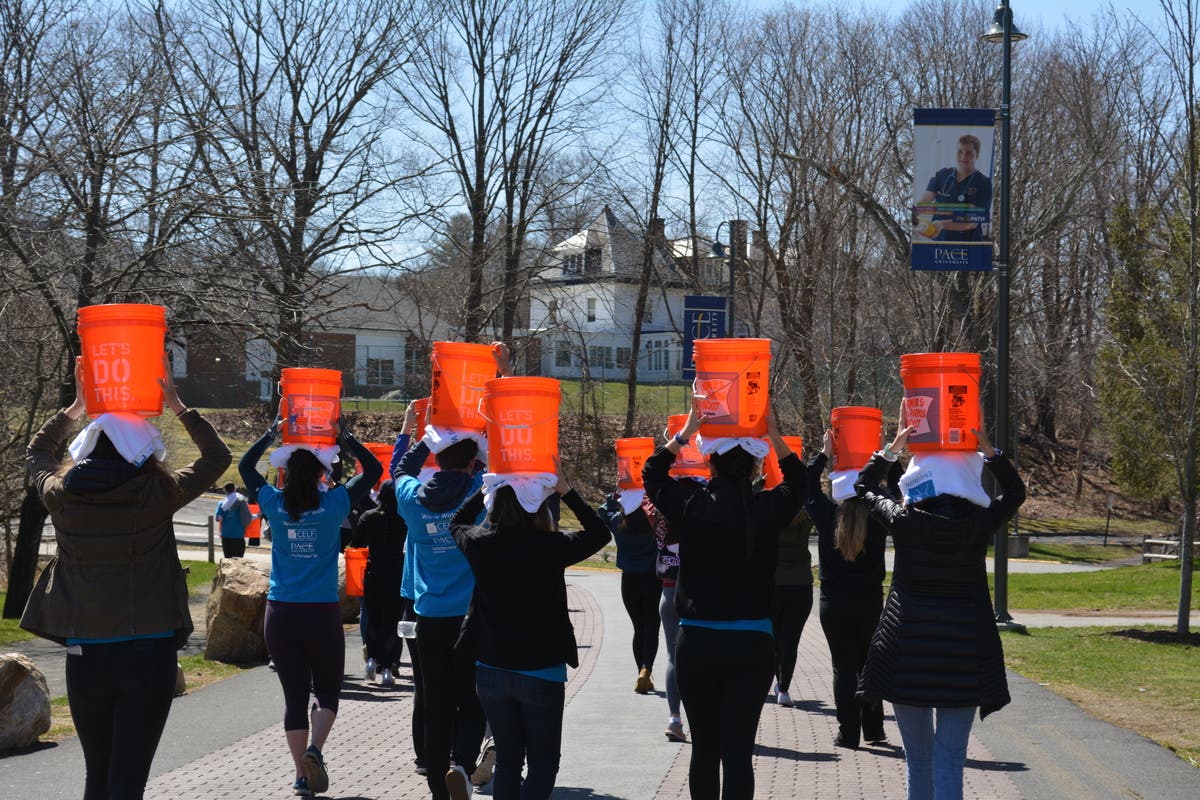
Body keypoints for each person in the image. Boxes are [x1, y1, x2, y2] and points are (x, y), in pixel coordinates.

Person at [22, 354, 231, 800]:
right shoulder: (159, 492)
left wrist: (77, 406)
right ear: (143, 454)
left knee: (97, 775)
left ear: (86, 451)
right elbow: (218, 457)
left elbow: (37, 453)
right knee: (128, 779)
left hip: (86, 653)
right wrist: (177, 403)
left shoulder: (61, 495)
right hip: (149, 653)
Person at [855, 419, 1025, 800]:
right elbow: (1015, 492)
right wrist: (989, 450)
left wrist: (892, 449)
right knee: (950, 758)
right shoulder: (979, 523)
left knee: (918, 760)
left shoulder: (903, 520)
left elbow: (863, 487)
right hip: (964, 656)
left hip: (906, 653)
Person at [642, 404, 803, 800]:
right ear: (755, 466)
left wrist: (685, 433)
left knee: (704, 750)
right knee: (738, 754)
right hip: (752, 645)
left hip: (697, 643)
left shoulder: (692, 504)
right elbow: (800, 482)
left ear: (709, 463)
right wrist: (773, 434)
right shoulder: (767, 508)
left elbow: (651, 473)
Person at [239, 416, 382, 797]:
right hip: (320, 612)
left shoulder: (273, 503)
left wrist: (271, 433)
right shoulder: (334, 504)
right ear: (322, 473)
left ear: (286, 474)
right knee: (328, 691)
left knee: (294, 698)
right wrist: (345, 436)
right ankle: (316, 749)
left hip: (281, 612)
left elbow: (245, 467)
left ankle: (301, 775)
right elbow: (373, 470)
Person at [452, 458, 609, 799]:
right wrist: (565, 490)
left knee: (508, 761)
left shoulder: (480, 543)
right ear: (539, 510)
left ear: (494, 504)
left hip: (491, 668)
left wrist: (488, 486)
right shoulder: (551, 546)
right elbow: (600, 533)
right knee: (543, 763)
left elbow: (457, 522)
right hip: (542, 670)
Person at [394, 403, 489, 800]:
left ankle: (438, 790)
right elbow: (501, 472)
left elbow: (399, 469)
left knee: (436, 705)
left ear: (437, 459)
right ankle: (461, 765)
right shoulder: (476, 496)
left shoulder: (411, 500)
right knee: (473, 701)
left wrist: (420, 434)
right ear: (471, 464)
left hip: (428, 618)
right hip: (469, 619)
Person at [807, 430, 892, 749]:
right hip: (869, 601)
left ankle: (848, 732)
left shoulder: (828, 515)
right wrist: (884, 453)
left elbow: (806, 486)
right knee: (869, 664)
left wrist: (824, 454)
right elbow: (899, 488)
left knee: (842, 668)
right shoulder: (879, 517)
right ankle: (874, 728)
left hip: (834, 603)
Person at [599, 492, 661, 694]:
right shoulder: (653, 521)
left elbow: (603, 510)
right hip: (652, 578)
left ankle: (640, 671)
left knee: (639, 628)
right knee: (651, 626)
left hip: (629, 580)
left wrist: (615, 496)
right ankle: (646, 668)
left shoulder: (618, 522)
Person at [351, 479, 407, 687]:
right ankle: (387, 667)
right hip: (397, 573)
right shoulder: (404, 519)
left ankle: (372, 659)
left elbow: (355, 544)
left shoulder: (368, 516)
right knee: (391, 621)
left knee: (373, 619)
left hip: (372, 572)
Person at [769, 495, 813, 709]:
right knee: (791, 641)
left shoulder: (772, 519)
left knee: (773, 639)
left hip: (773, 583)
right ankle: (783, 687)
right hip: (800, 583)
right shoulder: (806, 519)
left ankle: (777, 681)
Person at [914, 133, 992, 242]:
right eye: (960, 151)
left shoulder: (983, 183)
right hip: (939, 243)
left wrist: (942, 224)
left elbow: (971, 222)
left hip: (968, 246)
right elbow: (925, 201)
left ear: (977, 155)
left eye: (969, 153)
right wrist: (914, 216)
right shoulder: (942, 175)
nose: (963, 156)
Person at [215, 482, 252, 559]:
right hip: (238, 535)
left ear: (225, 490)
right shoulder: (241, 500)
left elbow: (218, 518)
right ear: (234, 489)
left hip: (226, 535)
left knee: (228, 560)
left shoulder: (222, 503)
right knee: (238, 561)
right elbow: (248, 516)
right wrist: (258, 515)